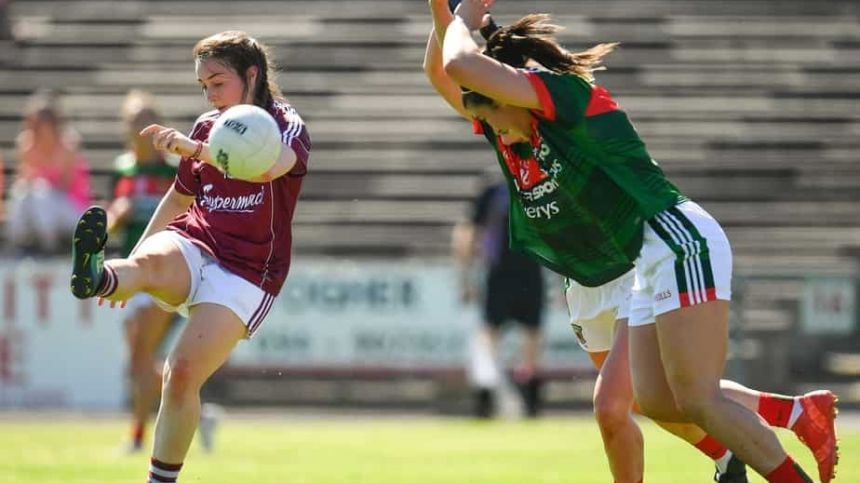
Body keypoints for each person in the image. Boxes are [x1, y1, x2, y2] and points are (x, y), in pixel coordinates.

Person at [423, 1, 837, 482]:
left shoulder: (563, 97)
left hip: (660, 241)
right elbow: (444, 71)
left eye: (494, 116)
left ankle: (763, 458)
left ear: (510, 91)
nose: (493, 132)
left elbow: (458, 64)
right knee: (658, 399)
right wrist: (441, 9)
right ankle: (778, 424)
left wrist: (465, 19)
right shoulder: (509, 125)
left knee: (634, 404)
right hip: (602, 265)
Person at [69, 31, 311, 483]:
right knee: (145, 265)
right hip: (196, 240)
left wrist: (197, 150)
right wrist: (135, 274)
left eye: (217, 83)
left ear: (251, 74)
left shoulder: (285, 124)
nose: (210, 95)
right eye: (204, 87)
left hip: (248, 273)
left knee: (180, 373)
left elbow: (268, 166)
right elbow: (179, 201)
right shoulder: (206, 126)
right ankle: (101, 275)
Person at [106, 90, 180, 452]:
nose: (139, 127)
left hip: (163, 271)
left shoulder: (173, 172)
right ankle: (199, 409)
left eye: (146, 118)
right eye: (134, 119)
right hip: (131, 271)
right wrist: (113, 219)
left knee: (140, 357)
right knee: (140, 359)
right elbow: (109, 226)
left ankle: (137, 436)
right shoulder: (121, 170)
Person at [453, 169, 545, 418]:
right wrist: (465, 276)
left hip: (527, 271)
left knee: (528, 334)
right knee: (495, 332)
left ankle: (522, 393)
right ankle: (491, 389)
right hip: (502, 273)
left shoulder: (536, 185)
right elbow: (468, 232)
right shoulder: (494, 190)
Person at [6, 90, 91, 254]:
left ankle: (49, 246)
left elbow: (65, 187)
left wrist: (41, 180)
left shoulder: (68, 146)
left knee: (41, 191)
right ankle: (17, 243)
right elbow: (22, 180)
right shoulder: (26, 145)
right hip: (39, 207)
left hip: (72, 210)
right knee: (21, 193)